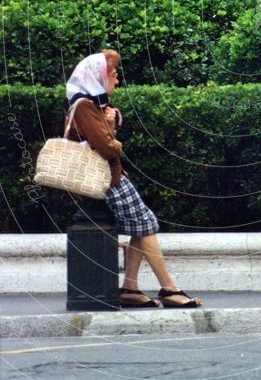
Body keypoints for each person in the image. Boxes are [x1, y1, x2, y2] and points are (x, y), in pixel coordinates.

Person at [65, 49, 201, 309]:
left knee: (143, 225)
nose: (116, 81)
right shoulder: (84, 106)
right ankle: (169, 289)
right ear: (97, 76)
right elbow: (107, 148)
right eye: (113, 75)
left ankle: (130, 287)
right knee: (146, 225)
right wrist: (115, 140)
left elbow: (102, 140)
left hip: (110, 176)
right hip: (108, 179)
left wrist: (110, 126)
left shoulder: (91, 105)